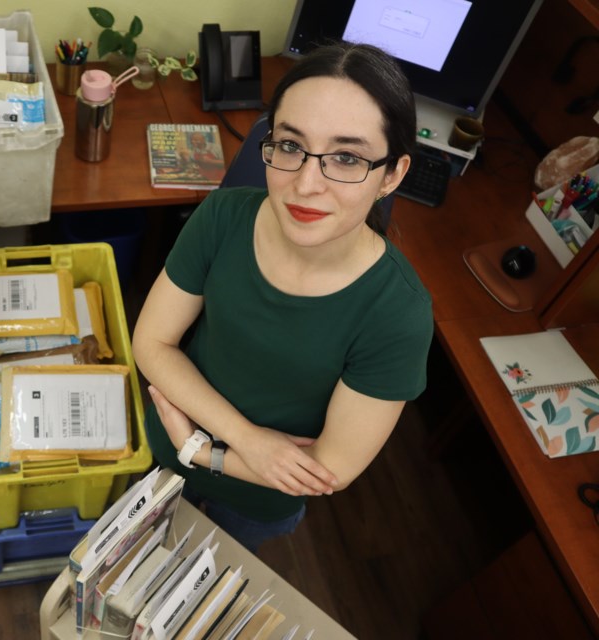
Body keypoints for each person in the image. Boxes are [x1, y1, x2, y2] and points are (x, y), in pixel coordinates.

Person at [131, 41, 434, 553]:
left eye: (346, 157)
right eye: (291, 146)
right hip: (166, 439)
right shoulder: (224, 216)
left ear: (393, 175)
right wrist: (245, 438)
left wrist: (203, 449)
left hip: (258, 492)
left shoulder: (398, 313)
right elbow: (152, 342)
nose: (305, 185)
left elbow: (327, 470)